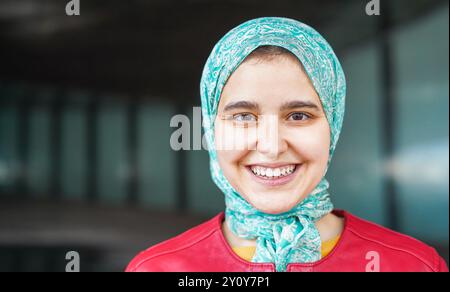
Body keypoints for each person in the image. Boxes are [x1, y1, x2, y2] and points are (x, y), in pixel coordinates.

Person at [126, 17, 448, 272]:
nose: (271, 146)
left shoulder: (413, 266)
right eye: (242, 117)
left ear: (332, 126)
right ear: (211, 130)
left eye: (297, 116)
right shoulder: (157, 269)